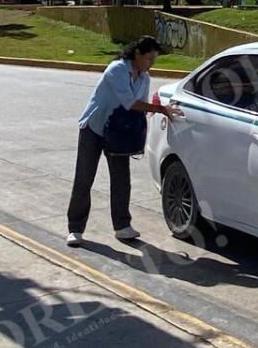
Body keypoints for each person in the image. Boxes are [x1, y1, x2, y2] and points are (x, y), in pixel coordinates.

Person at [66, 35, 182, 247]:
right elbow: (130, 103)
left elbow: (140, 109)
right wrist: (161, 109)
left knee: (121, 180)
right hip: (94, 128)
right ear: (137, 54)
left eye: (154, 59)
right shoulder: (117, 69)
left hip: (118, 133)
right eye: (149, 58)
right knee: (84, 179)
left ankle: (122, 226)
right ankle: (75, 229)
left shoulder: (145, 77)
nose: (151, 63)